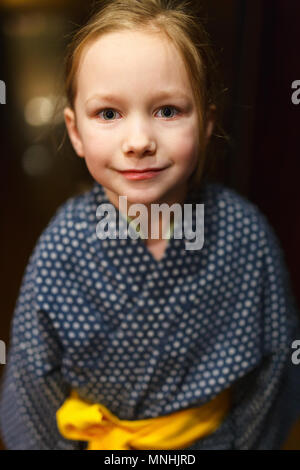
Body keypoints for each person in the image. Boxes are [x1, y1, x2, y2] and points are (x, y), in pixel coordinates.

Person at [0, 0, 299, 450]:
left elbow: (276, 368)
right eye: (108, 114)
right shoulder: (64, 243)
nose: (138, 141)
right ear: (75, 131)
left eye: (168, 111)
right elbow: (30, 382)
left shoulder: (243, 232)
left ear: (206, 122)